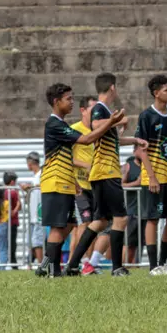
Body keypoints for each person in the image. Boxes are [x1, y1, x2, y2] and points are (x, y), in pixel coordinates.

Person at [35, 83, 124, 277]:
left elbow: (67, 154)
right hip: (55, 181)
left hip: (66, 182)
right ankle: (54, 270)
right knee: (59, 227)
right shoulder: (54, 124)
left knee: (68, 225)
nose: (72, 102)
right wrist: (111, 121)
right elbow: (86, 140)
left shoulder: (62, 124)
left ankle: (47, 264)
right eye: (69, 99)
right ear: (57, 102)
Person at [65, 74, 148, 277]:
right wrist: (118, 120)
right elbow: (96, 127)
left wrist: (135, 140)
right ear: (112, 87)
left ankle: (73, 265)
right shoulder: (100, 109)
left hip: (100, 173)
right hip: (107, 172)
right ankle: (117, 267)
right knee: (121, 218)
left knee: (100, 221)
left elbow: (111, 139)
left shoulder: (105, 112)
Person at [134, 75, 167, 275]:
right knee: (153, 219)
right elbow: (140, 150)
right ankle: (153, 266)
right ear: (157, 93)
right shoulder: (146, 116)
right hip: (153, 178)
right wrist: (152, 176)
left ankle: (162, 263)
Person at [69, 96, 97, 264]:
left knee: (93, 226)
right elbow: (65, 157)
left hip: (95, 185)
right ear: (83, 110)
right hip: (79, 186)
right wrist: (84, 165)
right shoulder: (74, 130)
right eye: (92, 108)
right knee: (84, 224)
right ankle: (77, 262)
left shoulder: (97, 130)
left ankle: (86, 263)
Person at [21, 151, 45, 265]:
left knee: (37, 240)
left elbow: (43, 186)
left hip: (39, 211)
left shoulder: (41, 174)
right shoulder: (35, 176)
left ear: (30, 163)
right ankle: (31, 265)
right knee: (32, 240)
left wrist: (29, 187)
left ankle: (41, 265)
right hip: (33, 212)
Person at [0, 172, 20, 270]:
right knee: (10, 245)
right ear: (12, 182)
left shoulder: (1, 191)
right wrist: (18, 203)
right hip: (11, 222)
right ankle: (12, 264)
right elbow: (16, 209)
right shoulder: (13, 192)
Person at [122, 148, 143, 265]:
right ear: (135, 151)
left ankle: (135, 266)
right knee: (128, 243)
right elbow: (120, 185)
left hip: (145, 210)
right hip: (131, 210)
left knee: (140, 243)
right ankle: (123, 265)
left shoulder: (149, 166)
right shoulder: (128, 166)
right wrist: (136, 183)